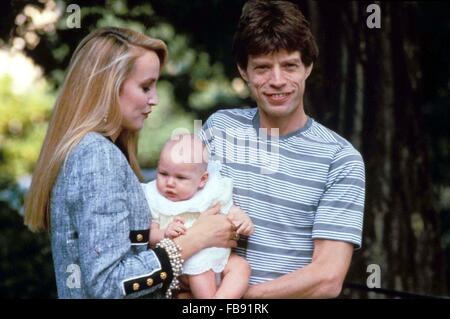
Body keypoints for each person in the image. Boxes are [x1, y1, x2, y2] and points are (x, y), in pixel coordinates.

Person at [23, 27, 244, 299]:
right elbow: (107, 284)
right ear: (108, 87)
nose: (155, 99)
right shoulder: (98, 156)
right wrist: (196, 239)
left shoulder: (92, 150)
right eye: (145, 87)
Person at [200, 0, 366, 298]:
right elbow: (187, 210)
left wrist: (237, 300)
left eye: (289, 65)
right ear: (243, 71)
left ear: (308, 67)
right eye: (263, 68)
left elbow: (327, 278)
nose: (277, 81)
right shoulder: (219, 129)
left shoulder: (340, 159)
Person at [142, 133, 253, 299]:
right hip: (187, 261)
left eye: (180, 177)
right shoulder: (155, 197)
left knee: (241, 266)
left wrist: (241, 219)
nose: (170, 183)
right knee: (200, 269)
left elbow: (229, 211)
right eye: (163, 174)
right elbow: (149, 235)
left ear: (202, 180)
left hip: (219, 256)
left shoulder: (212, 192)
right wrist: (164, 233)